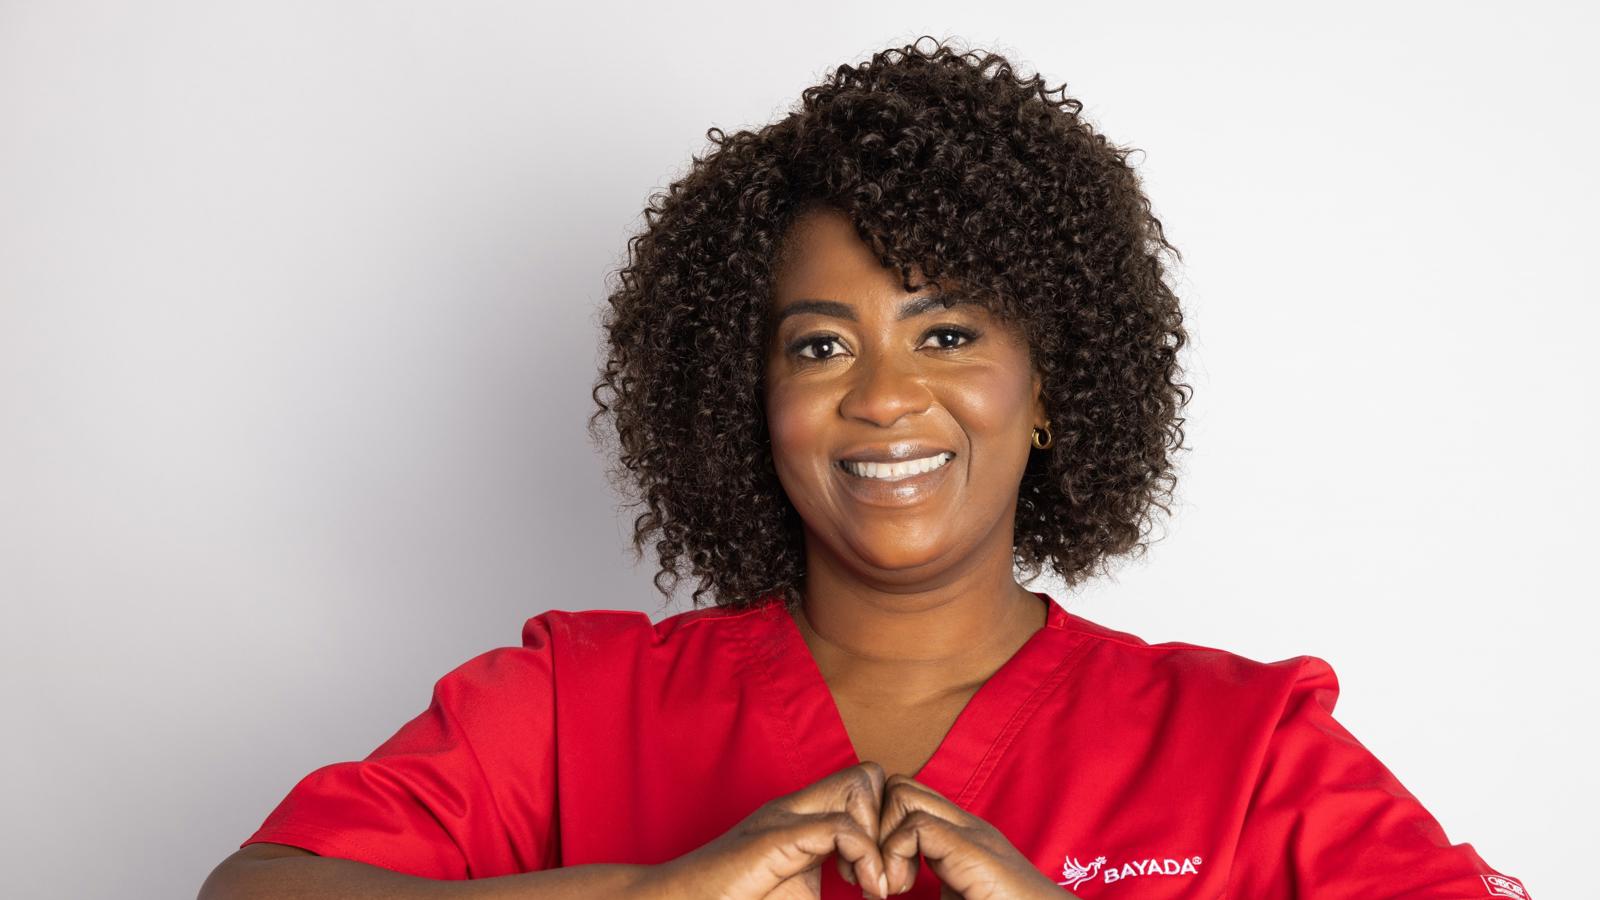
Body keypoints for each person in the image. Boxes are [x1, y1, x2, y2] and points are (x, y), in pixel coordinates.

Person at [198, 37, 1532, 900]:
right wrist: (645, 896)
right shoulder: (566, 707)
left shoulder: (1241, 748)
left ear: (1054, 387)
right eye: (822, 343)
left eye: (947, 333)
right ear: (748, 398)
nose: (886, 395)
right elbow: (257, 893)